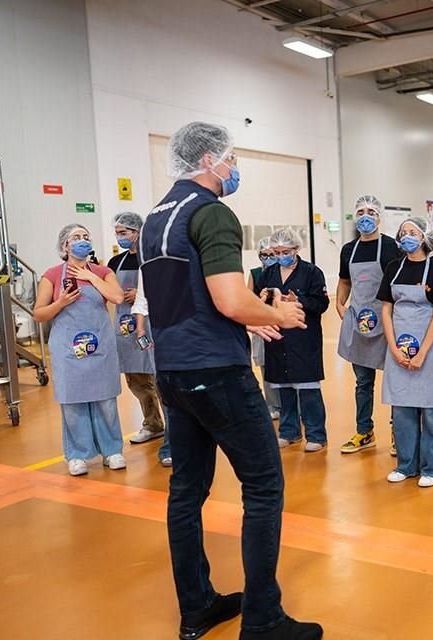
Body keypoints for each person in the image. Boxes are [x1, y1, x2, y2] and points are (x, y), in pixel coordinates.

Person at [138, 121, 320, 639]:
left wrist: (248, 315)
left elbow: (186, 297)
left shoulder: (156, 217)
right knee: (263, 487)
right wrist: (279, 315)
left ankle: (196, 607)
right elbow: (226, 297)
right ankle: (264, 620)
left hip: (173, 370)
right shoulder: (211, 212)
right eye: (231, 158)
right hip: (217, 372)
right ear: (210, 160)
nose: (234, 168)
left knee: (187, 490)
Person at [33, 224, 126, 477]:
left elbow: (117, 298)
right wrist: (60, 302)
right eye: (76, 238)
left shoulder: (103, 272)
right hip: (67, 348)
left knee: (106, 400)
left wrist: (91, 277)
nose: (82, 241)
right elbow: (39, 313)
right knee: (72, 402)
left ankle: (112, 450)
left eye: (86, 236)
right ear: (65, 246)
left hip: (100, 346)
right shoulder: (51, 275)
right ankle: (77, 455)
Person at [379, 217, 433, 487]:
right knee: (402, 410)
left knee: (430, 411)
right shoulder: (392, 268)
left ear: (424, 237)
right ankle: (406, 464)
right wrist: (393, 348)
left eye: (413, 232)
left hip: (431, 348)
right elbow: (386, 309)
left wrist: (422, 352)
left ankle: (431, 468)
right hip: (398, 345)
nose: (407, 236)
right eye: (403, 232)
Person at [336, 195, 402, 455]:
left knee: (395, 380)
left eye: (371, 211)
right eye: (360, 211)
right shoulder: (348, 250)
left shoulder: (391, 247)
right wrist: (340, 306)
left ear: (379, 216)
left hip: (389, 322)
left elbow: (400, 281)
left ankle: (399, 432)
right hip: (360, 323)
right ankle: (365, 431)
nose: (365, 216)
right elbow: (344, 281)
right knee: (363, 382)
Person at [254, 228, 330, 452]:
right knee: (283, 388)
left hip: (303, 338)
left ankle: (316, 434)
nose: (280, 256)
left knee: (308, 390)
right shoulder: (268, 274)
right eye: (276, 252)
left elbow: (321, 304)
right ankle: (289, 431)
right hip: (278, 338)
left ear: (296, 249)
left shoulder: (312, 273)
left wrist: (300, 300)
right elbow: (260, 301)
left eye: (285, 251)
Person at [108, 212, 167, 449]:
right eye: (117, 233)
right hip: (126, 327)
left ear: (138, 232)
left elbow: (165, 288)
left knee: (160, 377)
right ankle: (152, 423)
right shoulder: (115, 263)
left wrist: (141, 294)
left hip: (152, 323)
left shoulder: (152, 259)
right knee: (136, 379)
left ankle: (176, 428)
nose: (120, 237)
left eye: (124, 233)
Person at [130, 270, 172, 466]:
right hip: (157, 328)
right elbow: (142, 299)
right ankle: (171, 445)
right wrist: (140, 330)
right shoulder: (148, 261)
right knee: (165, 388)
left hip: (188, 327)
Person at [250, 237, 282, 421]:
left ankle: (289, 405)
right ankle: (272, 405)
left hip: (279, 323)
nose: (268, 258)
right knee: (264, 366)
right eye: (264, 255)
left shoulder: (282, 273)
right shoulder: (255, 274)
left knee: (281, 364)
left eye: (272, 254)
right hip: (261, 325)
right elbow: (248, 298)